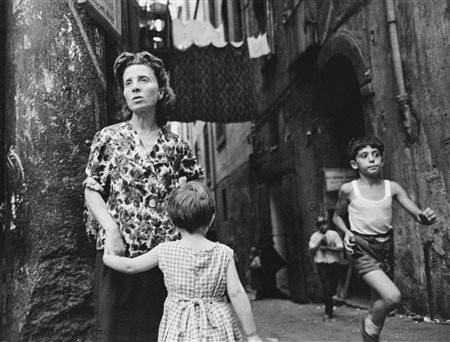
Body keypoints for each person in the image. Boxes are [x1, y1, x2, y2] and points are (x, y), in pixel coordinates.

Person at [84, 51, 204, 341]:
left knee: (160, 332)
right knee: (114, 333)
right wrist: (110, 228)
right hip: (118, 253)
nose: (134, 87)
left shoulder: (176, 146)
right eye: (128, 83)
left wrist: (187, 230)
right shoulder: (108, 138)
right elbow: (92, 189)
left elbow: (198, 187)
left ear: (161, 90)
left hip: (164, 257)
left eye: (143, 80)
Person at [103, 181, 263, 342]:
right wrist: (252, 335)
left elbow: (130, 266)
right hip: (218, 326)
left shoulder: (165, 250)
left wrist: (107, 257)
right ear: (212, 218)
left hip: (178, 327)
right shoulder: (224, 253)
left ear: (172, 220)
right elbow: (237, 293)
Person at [332, 136, 437, 342]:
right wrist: (347, 232)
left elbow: (417, 214)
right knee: (392, 297)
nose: (371, 159)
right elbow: (336, 217)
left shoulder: (393, 188)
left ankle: (371, 336)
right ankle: (368, 326)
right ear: (355, 164)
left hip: (384, 248)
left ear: (382, 160)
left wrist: (425, 217)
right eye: (364, 156)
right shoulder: (348, 190)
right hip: (360, 248)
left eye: (376, 155)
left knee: (378, 301)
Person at [308, 216, 344, 320]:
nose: (323, 227)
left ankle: (330, 301)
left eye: (324, 224)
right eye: (320, 225)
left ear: (327, 224)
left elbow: (340, 248)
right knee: (326, 287)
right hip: (321, 264)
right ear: (318, 227)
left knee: (333, 286)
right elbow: (311, 251)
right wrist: (319, 243)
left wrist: (328, 248)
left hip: (333, 263)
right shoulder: (314, 236)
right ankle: (328, 312)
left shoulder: (333, 234)